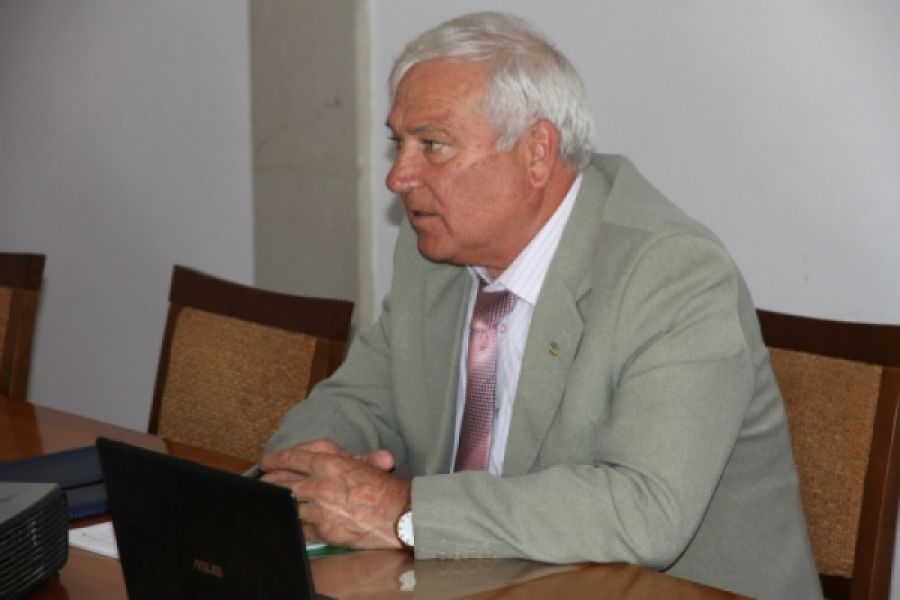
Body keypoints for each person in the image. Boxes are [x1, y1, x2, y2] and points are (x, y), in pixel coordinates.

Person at [259, 11, 822, 599]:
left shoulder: (672, 273)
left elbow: (643, 510)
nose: (399, 177)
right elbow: (361, 401)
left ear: (536, 153)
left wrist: (407, 513)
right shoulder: (435, 250)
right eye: (398, 143)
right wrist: (295, 486)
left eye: (433, 145)